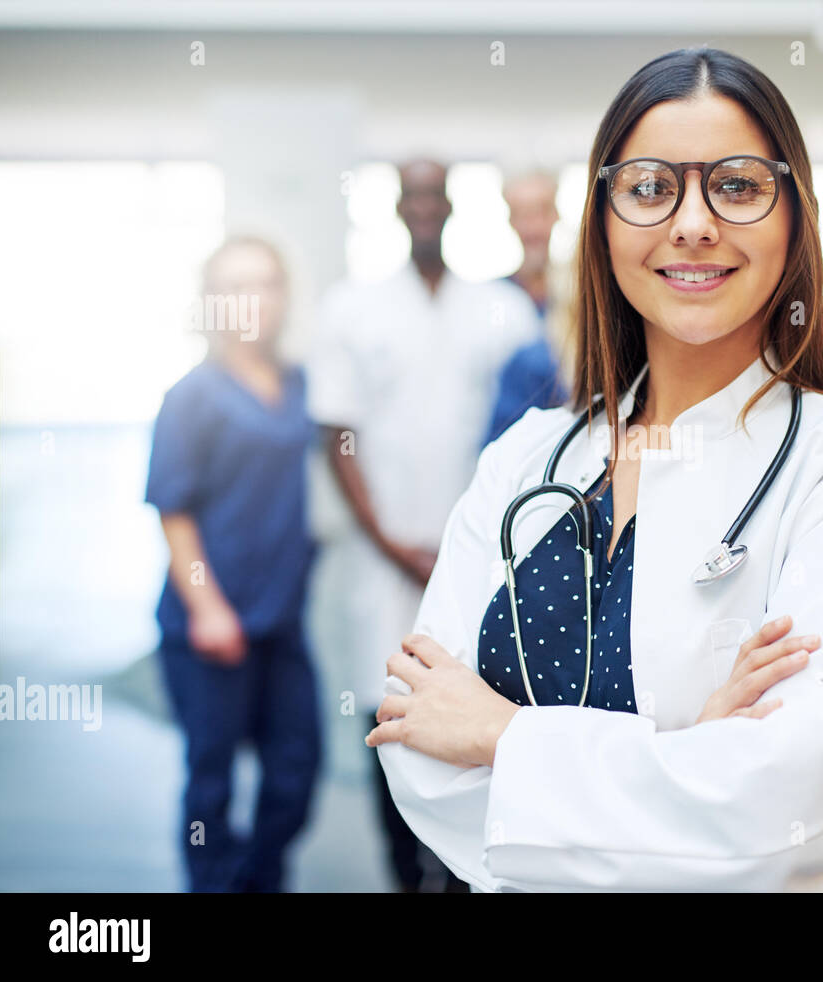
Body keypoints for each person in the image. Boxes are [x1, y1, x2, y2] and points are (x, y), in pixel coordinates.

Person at [360, 46, 823, 892]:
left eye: (736, 186)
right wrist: (685, 759)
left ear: (794, 219)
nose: (693, 222)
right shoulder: (525, 455)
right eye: (650, 187)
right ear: (602, 221)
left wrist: (503, 739)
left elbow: (783, 815)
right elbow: (422, 752)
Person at [306, 159, 541, 893]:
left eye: (436, 196)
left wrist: (472, 545)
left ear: (452, 207)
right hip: (387, 557)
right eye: (412, 197)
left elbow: (533, 433)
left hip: (484, 555)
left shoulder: (503, 311)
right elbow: (336, 435)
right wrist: (389, 541)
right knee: (391, 712)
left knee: (480, 706)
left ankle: (465, 871)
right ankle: (403, 874)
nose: (424, 209)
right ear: (397, 210)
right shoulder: (351, 307)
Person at [145, 236, 321, 892]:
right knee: (211, 779)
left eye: (267, 282)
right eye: (237, 284)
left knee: (296, 770)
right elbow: (174, 513)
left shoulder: (300, 384)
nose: (254, 298)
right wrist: (207, 606)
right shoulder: (191, 396)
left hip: (281, 622)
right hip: (210, 627)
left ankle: (254, 882)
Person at [482, 166, 570, 447]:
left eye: (541, 212)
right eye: (523, 215)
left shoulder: (582, 299)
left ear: (557, 214)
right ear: (510, 220)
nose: (533, 227)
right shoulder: (488, 301)